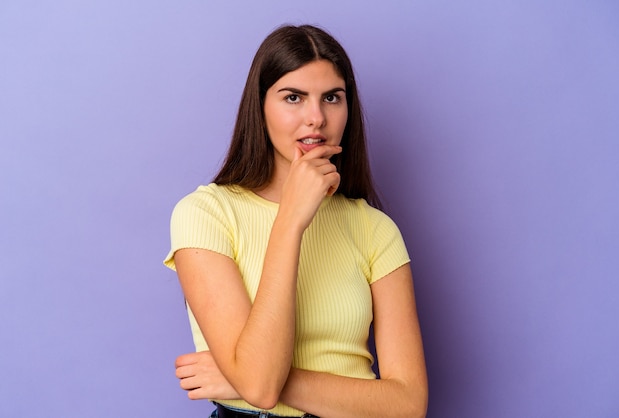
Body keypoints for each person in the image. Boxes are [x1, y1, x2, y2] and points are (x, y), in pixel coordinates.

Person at [164, 24, 428, 418]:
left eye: (332, 98)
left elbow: (407, 406)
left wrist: (241, 378)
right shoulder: (206, 214)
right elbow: (260, 386)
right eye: (293, 97)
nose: (316, 118)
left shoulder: (375, 229)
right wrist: (290, 220)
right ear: (260, 106)